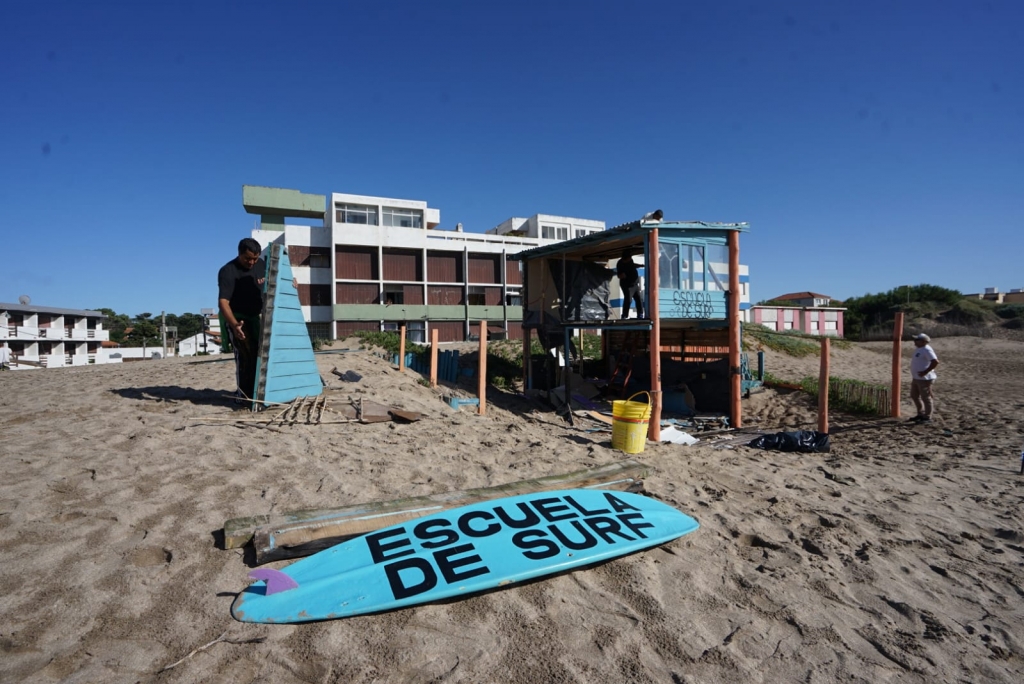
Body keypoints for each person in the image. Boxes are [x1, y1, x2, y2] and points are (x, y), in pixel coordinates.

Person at [218, 238, 266, 403]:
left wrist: (292, 281)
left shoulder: (262, 265)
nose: (251, 262)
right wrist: (234, 325)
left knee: (260, 354)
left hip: (256, 318)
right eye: (247, 259)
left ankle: (258, 392)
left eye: (255, 259)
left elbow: (277, 280)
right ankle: (244, 396)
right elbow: (223, 302)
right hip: (237, 318)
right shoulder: (228, 271)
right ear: (239, 254)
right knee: (245, 355)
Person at [909, 333, 939, 422]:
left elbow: (935, 361)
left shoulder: (927, 350)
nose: (915, 341)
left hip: (925, 378)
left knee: (926, 397)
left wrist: (925, 372)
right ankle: (920, 413)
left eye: (917, 340)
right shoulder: (919, 349)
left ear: (923, 341)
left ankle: (927, 416)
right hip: (917, 377)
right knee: (914, 396)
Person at [616, 254, 645, 319]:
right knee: (628, 299)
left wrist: (641, 265)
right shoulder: (620, 264)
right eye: (629, 259)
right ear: (625, 259)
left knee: (639, 299)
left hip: (635, 284)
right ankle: (624, 315)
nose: (630, 259)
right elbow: (619, 275)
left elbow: (633, 265)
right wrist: (623, 276)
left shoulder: (630, 261)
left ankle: (640, 314)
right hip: (627, 285)